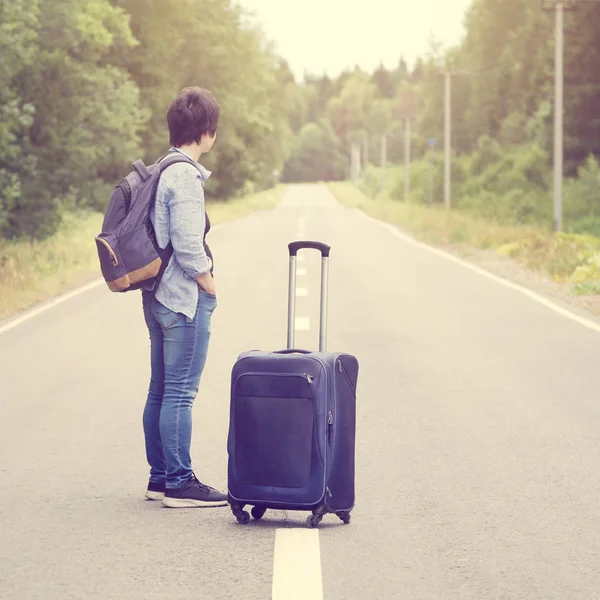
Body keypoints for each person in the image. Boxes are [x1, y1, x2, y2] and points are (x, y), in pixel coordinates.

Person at [141, 86, 227, 508]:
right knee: (179, 392)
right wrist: (206, 280)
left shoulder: (160, 168)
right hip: (181, 297)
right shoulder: (186, 175)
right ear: (206, 131)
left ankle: (159, 478)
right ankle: (178, 482)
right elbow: (188, 241)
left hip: (155, 295)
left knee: (160, 388)